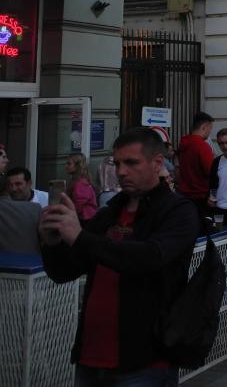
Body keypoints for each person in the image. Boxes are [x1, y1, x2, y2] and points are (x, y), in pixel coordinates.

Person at [40, 127, 201, 386]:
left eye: (132, 163)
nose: (122, 171)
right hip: (91, 357)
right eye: (117, 163)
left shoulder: (178, 211)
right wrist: (53, 243)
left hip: (145, 360)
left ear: (157, 163)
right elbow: (64, 271)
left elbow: (148, 257)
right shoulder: (108, 214)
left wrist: (80, 237)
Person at [177, 111, 215, 215]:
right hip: (200, 196)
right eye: (210, 128)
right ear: (204, 127)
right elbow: (211, 171)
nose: (210, 132)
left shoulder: (183, 143)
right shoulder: (202, 146)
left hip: (184, 194)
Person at [66, 153, 99, 223]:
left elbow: (80, 202)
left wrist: (70, 215)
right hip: (85, 218)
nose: (66, 166)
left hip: (85, 219)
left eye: (69, 164)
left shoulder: (81, 182)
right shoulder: (79, 180)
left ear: (77, 166)